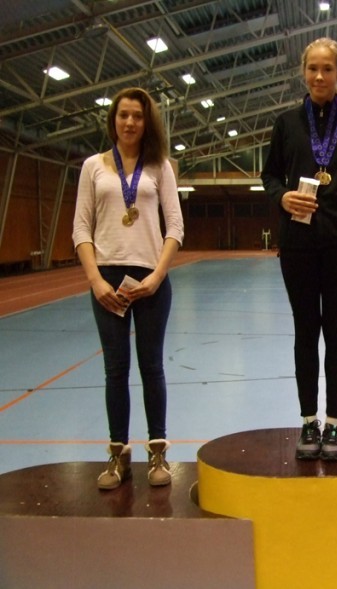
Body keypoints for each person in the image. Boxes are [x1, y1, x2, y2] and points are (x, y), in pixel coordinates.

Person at [261, 37, 337, 461]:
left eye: (327, 68)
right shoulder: (287, 122)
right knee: (305, 332)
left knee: (336, 332)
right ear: (303, 72)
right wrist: (283, 198)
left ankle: (334, 424)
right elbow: (269, 177)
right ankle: (308, 420)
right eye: (312, 68)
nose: (319, 76)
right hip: (298, 245)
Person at [73, 87, 184, 490]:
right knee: (115, 370)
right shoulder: (93, 166)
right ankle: (118, 455)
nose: (130, 122)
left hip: (150, 280)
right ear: (113, 120)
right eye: (123, 115)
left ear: (146, 122)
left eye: (137, 116)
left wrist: (157, 276)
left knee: (151, 367)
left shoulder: (160, 167)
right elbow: (81, 228)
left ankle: (158, 453)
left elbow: (175, 226)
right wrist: (96, 281)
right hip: (107, 281)